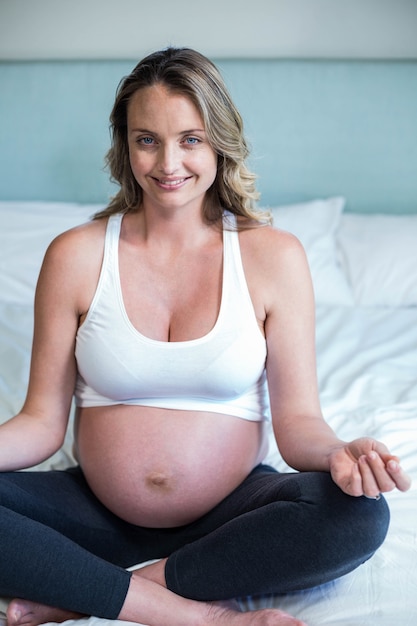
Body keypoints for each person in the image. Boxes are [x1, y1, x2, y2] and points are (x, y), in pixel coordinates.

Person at [0, 47, 411, 626]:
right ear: (125, 146)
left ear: (220, 141)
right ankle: (202, 617)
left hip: (231, 518)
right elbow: (41, 423)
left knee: (358, 515)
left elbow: (298, 428)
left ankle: (81, 588)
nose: (169, 162)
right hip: (92, 514)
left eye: (191, 139)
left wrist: (338, 453)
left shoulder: (274, 257)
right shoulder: (76, 255)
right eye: (148, 140)